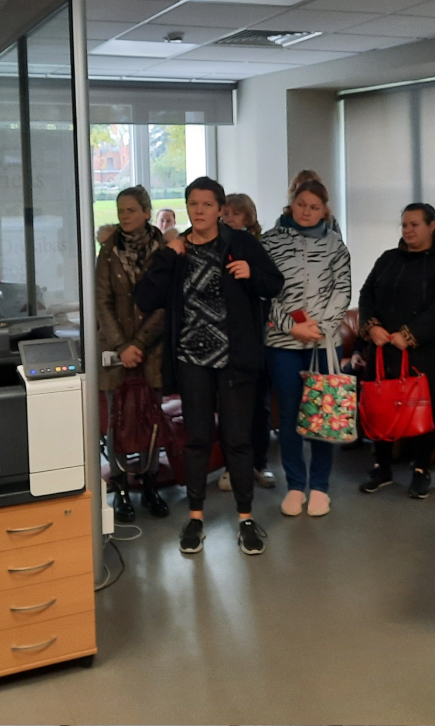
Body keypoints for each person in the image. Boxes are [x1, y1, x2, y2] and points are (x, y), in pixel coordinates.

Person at [135, 177, 284, 556]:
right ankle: (196, 517)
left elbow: (274, 283)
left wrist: (252, 274)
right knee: (198, 440)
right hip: (192, 360)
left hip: (235, 360)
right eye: (193, 204)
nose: (199, 211)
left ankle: (246, 518)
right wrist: (168, 256)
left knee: (238, 440)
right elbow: (145, 297)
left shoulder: (241, 243)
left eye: (207, 204)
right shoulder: (177, 249)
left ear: (220, 209)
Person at [358, 203, 435, 499]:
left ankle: (420, 470)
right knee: (380, 405)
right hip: (383, 350)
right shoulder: (388, 258)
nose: (407, 230)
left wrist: (410, 335)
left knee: (425, 410)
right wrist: (370, 326)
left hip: (425, 352)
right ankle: (381, 468)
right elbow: (366, 294)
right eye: (404, 225)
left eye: (415, 224)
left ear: (432, 226)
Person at [262, 179, 351, 516]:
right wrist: (292, 327)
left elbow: (342, 290)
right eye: (301, 204)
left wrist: (321, 328)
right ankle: (295, 486)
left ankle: (320, 487)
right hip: (282, 343)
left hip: (324, 344)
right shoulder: (269, 241)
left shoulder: (336, 245)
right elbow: (264, 292)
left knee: (323, 414)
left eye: (314, 207)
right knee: (288, 415)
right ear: (292, 203)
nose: (307, 212)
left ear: (324, 210)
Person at [96, 186, 169, 522]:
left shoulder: (164, 250)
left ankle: (151, 484)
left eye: (131, 210)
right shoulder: (108, 251)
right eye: (120, 211)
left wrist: (139, 343)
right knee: (117, 421)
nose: (124, 216)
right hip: (116, 350)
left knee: (151, 418)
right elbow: (102, 303)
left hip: (152, 350)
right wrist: (123, 346)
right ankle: (122, 486)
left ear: (146, 212)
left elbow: (166, 302)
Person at [217, 193, 276, 492]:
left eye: (236, 214)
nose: (229, 219)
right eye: (225, 213)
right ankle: (232, 466)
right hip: (227, 342)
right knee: (229, 410)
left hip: (259, 340)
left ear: (248, 218)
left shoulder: (260, 247)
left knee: (259, 408)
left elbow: (272, 286)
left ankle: (260, 463)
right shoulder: (215, 246)